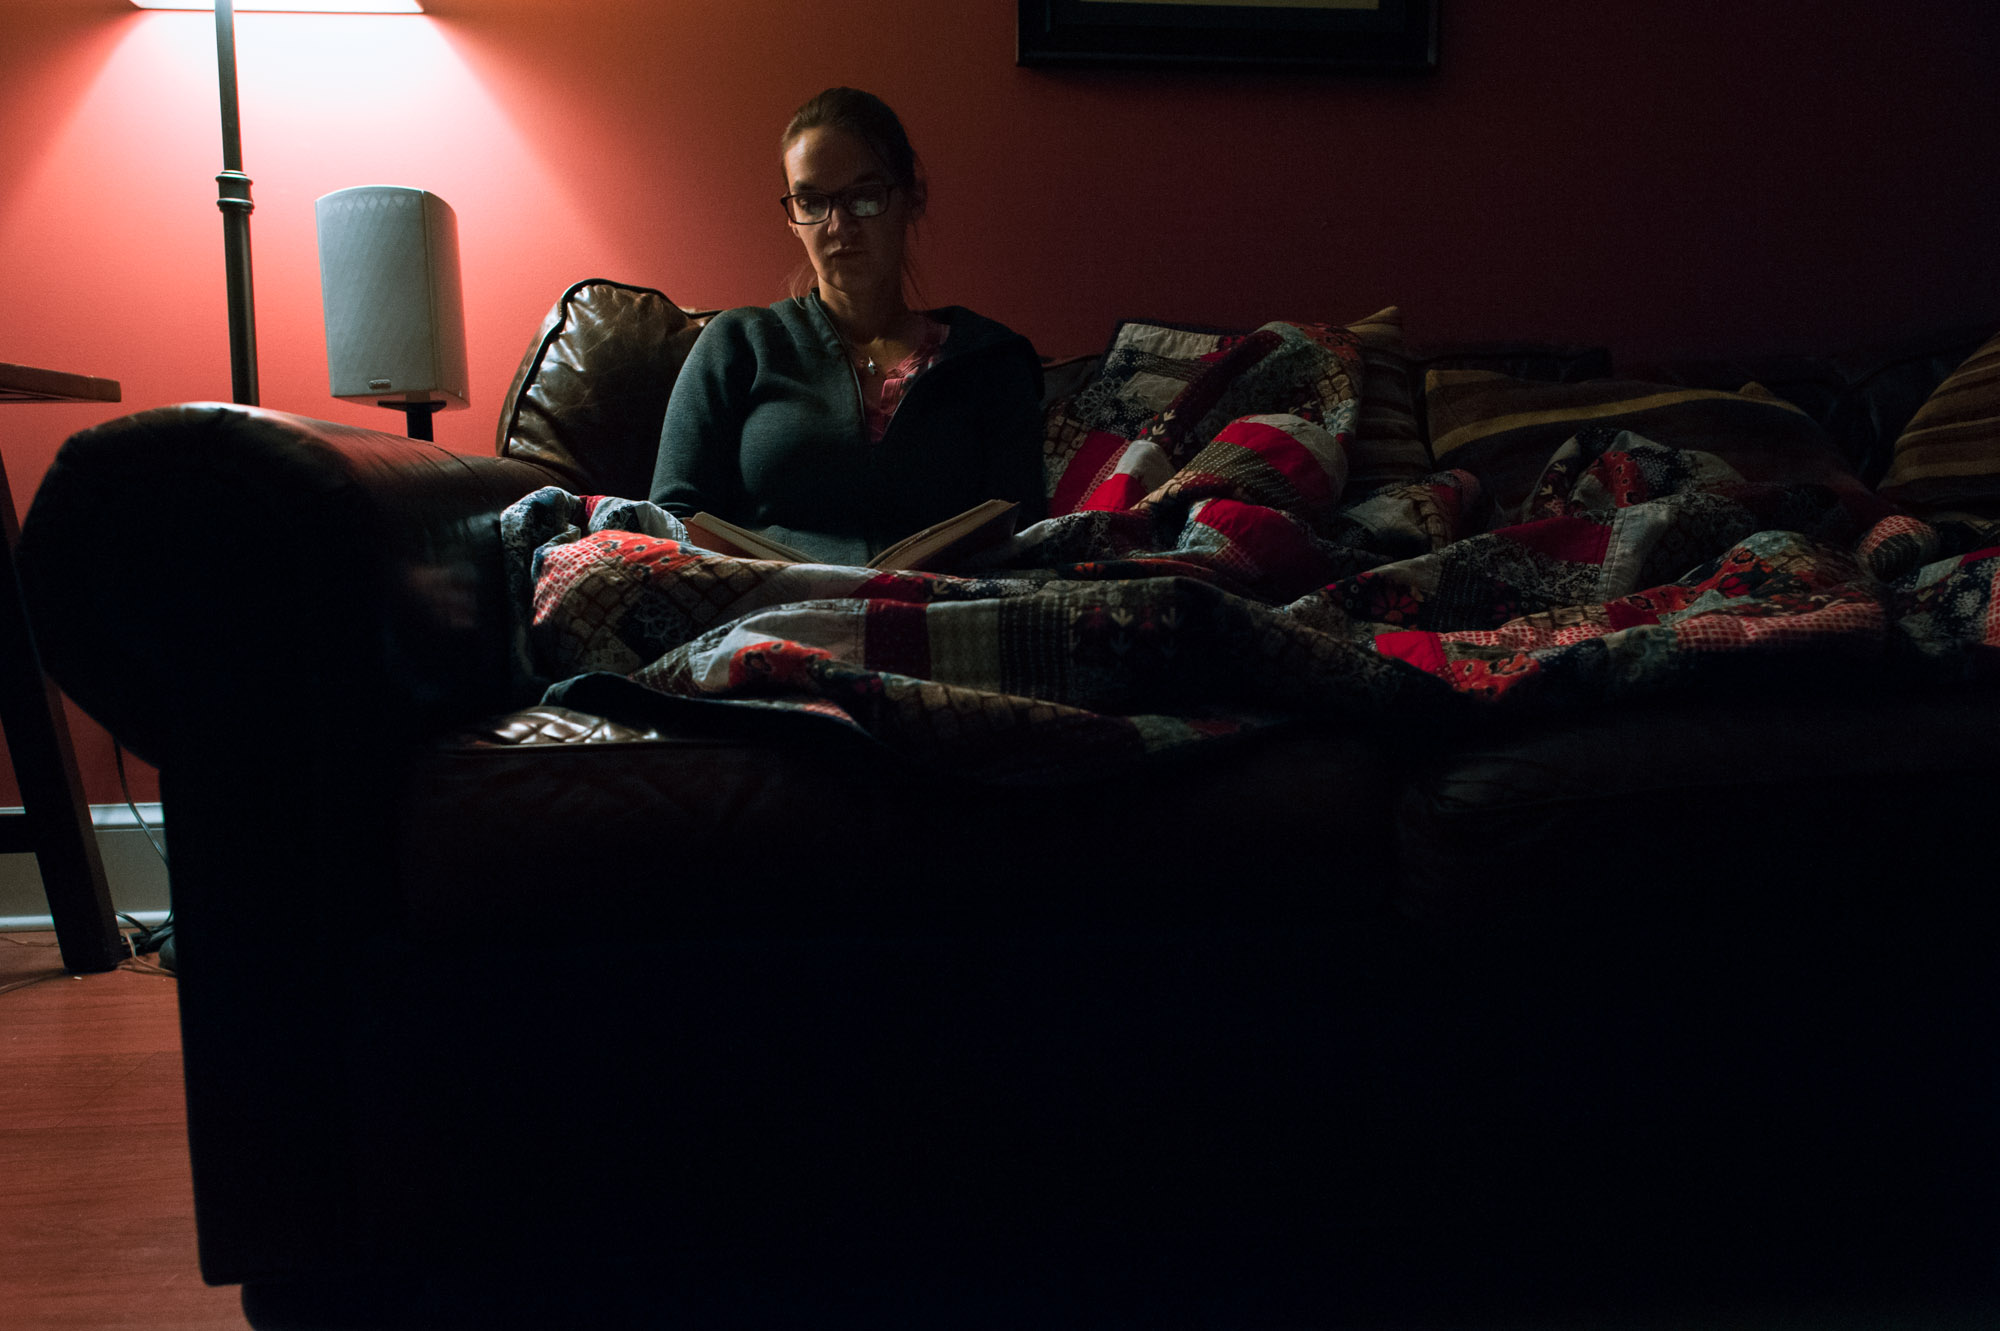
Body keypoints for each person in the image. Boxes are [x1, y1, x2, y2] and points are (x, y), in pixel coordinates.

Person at [651, 87, 1047, 566]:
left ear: (912, 197)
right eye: (812, 202)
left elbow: (1026, 534)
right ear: (793, 220)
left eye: (864, 197)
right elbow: (668, 522)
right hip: (768, 615)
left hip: (940, 614)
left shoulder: (991, 359)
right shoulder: (740, 344)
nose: (839, 225)